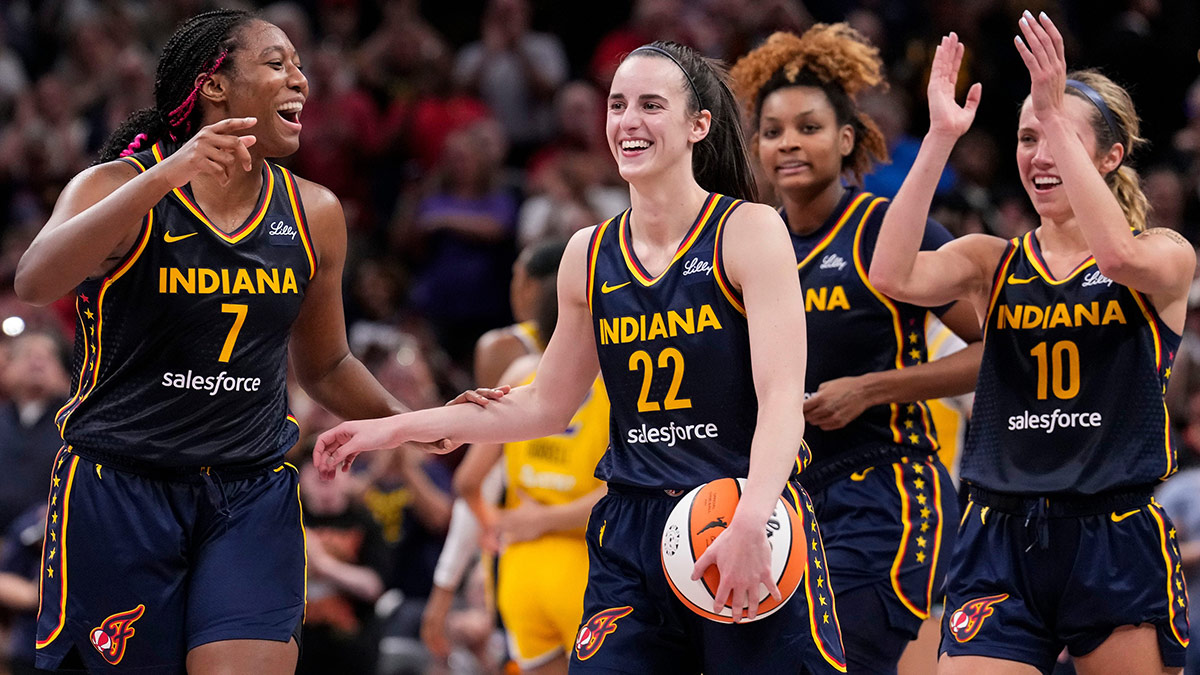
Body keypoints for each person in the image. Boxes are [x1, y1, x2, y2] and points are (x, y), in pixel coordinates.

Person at [315, 40, 847, 674]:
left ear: (697, 124)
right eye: (618, 105)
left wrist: (755, 517)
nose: (629, 121)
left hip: (738, 508)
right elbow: (545, 404)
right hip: (631, 529)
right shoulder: (587, 255)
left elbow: (784, 398)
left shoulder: (748, 230)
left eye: (652, 105)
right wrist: (395, 427)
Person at [11, 10, 483, 673]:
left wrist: (413, 422)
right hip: (121, 485)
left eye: (300, 64)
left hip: (249, 489)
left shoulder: (314, 212)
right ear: (215, 86)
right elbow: (35, 280)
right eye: (277, 63)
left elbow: (326, 363)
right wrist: (162, 177)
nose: (302, 79)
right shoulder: (117, 186)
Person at [869, 14, 1193, 674]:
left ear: (1111, 156)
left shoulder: (1164, 254)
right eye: (1026, 137)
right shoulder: (994, 259)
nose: (1038, 154)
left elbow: (1117, 254)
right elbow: (891, 274)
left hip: (1112, 531)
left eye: (1059, 136)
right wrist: (937, 139)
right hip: (999, 532)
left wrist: (1048, 104)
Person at [729, 25, 981, 674]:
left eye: (808, 127)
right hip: (791, 501)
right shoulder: (751, 248)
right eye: (774, 130)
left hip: (888, 486)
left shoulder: (885, 229)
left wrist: (872, 388)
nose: (788, 142)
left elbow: (1005, 349)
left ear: (847, 140)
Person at [452, 249, 609, 675]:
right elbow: (619, 490)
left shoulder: (519, 373)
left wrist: (497, 528)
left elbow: (468, 481)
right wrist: (546, 521)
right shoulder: (614, 378)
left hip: (519, 570)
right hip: (585, 563)